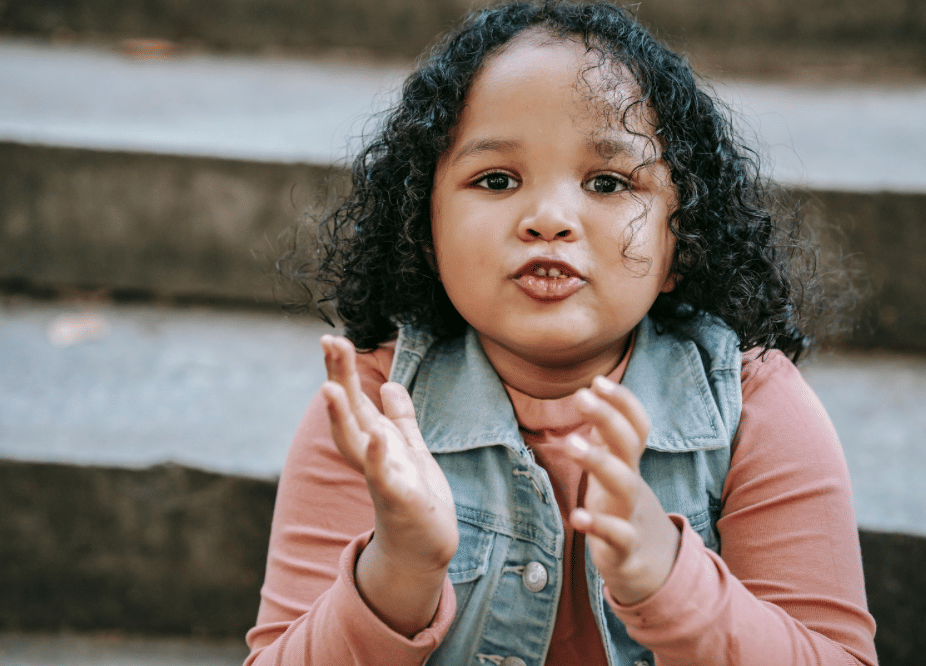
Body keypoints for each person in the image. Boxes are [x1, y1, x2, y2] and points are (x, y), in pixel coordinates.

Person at [246, 2, 878, 664]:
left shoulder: (756, 411)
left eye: (607, 182)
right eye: (496, 180)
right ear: (424, 231)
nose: (549, 219)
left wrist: (668, 577)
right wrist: (398, 568)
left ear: (681, 241)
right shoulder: (371, 419)